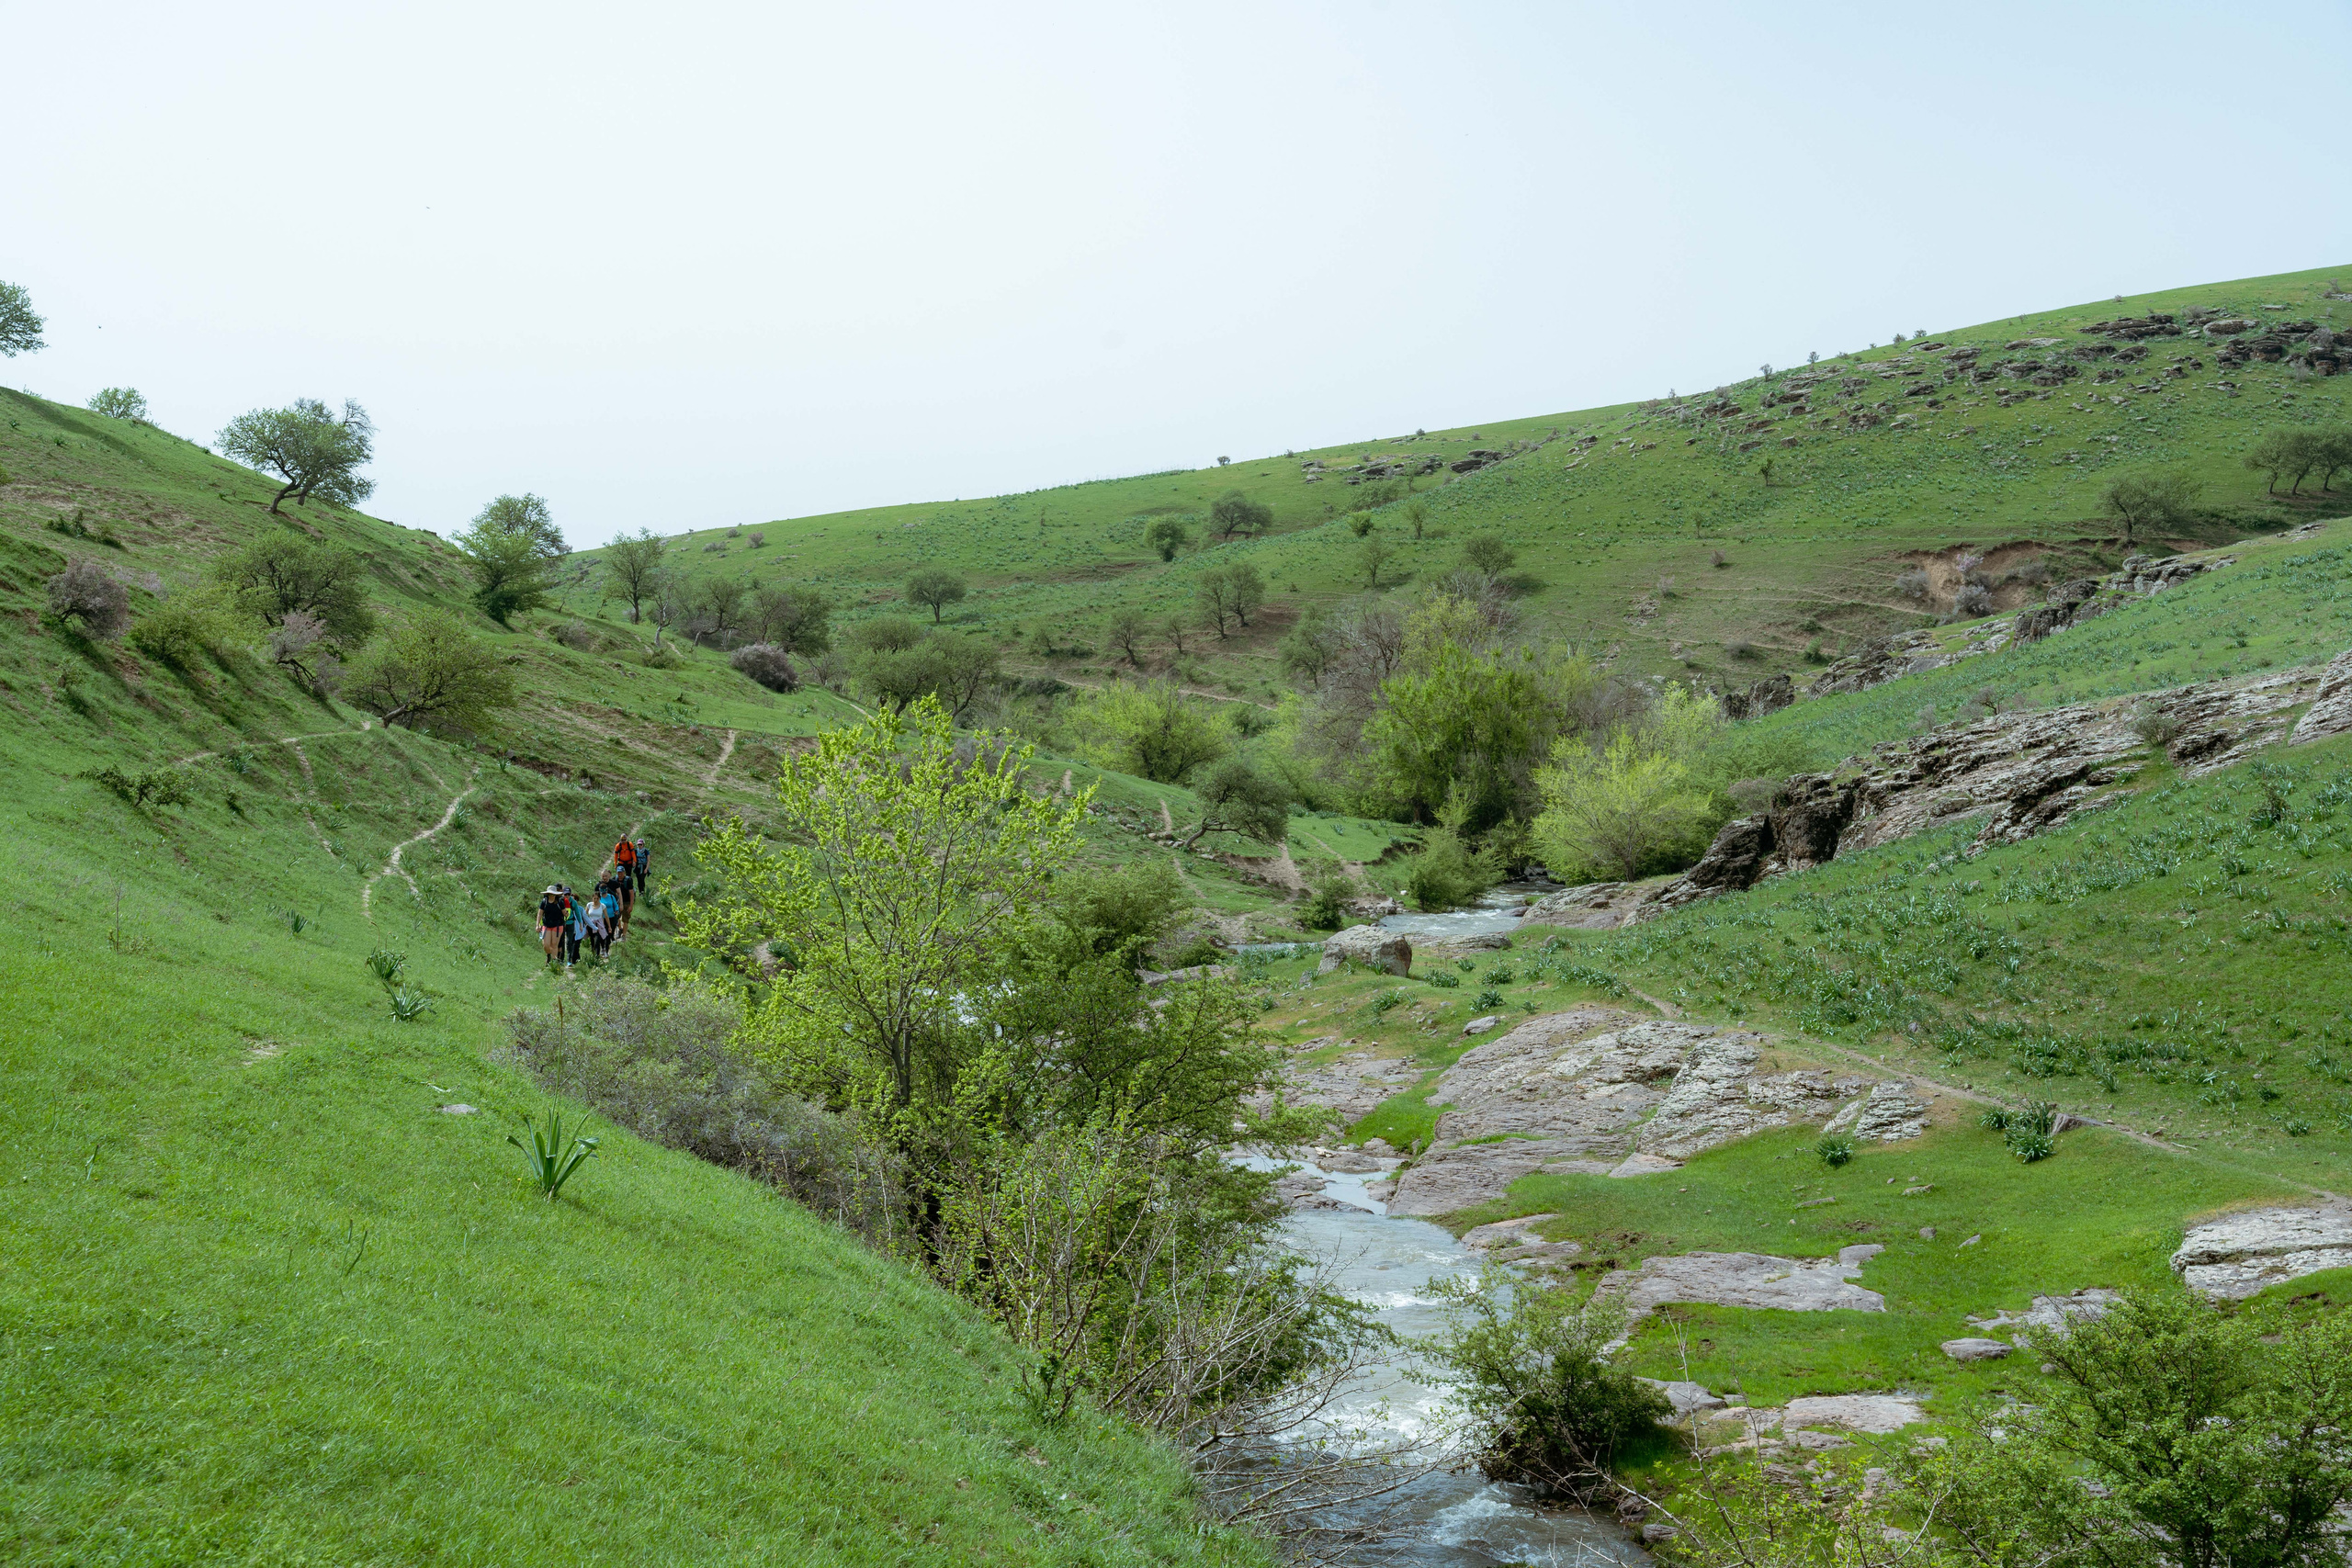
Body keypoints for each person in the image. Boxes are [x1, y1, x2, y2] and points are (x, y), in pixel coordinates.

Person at [537, 886, 566, 966]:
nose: (551, 896)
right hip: (546, 925)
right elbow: (540, 913)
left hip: (557, 925)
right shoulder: (544, 901)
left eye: (553, 894)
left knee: (554, 944)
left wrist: (566, 913)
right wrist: (537, 925)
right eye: (550, 894)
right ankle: (548, 955)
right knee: (546, 944)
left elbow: (564, 912)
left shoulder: (560, 902)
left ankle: (553, 962)